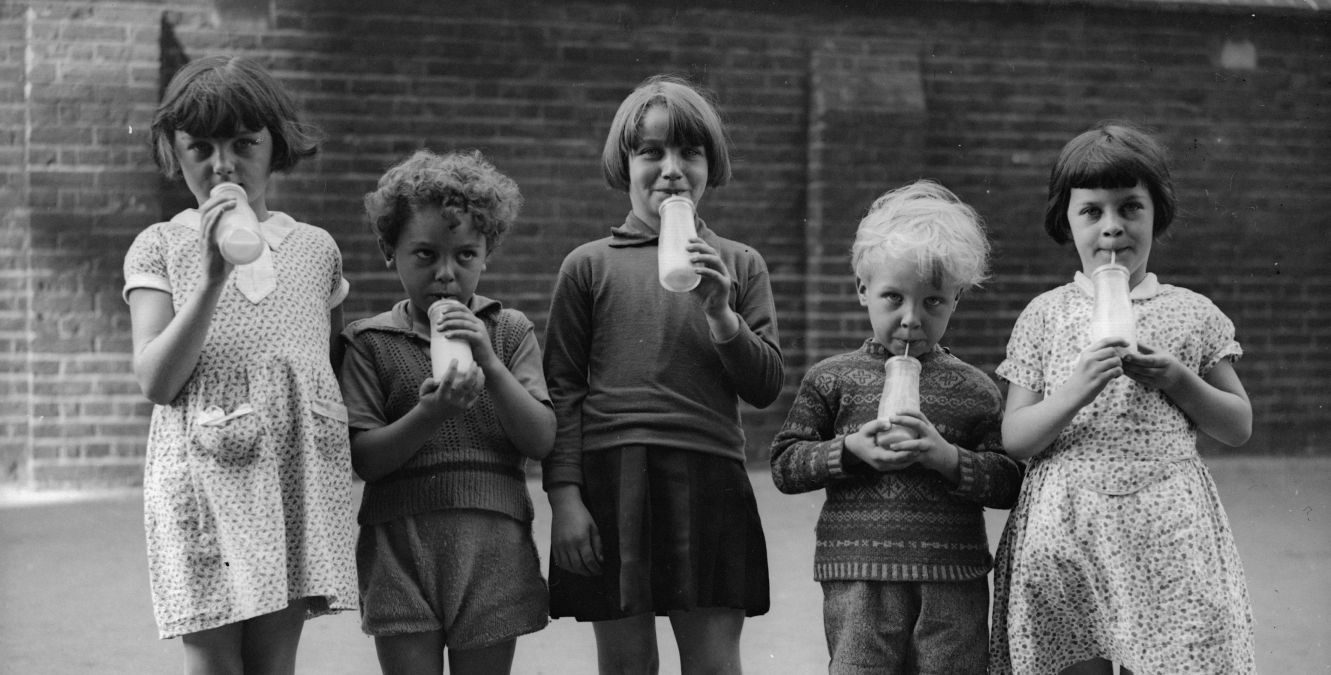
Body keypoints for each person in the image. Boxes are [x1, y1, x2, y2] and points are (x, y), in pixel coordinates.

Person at [988, 122, 1256, 675]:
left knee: (1177, 656)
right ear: (1066, 219)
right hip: (1068, 525)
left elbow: (1238, 425)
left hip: (1166, 530)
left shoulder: (1192, 312)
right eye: (1092, 212)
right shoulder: (1046, 314)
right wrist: (1075, 390)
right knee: (1073, 660)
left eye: (1130, 208)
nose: (1111, 228)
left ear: (1158, 213)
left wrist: (1178, 380)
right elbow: (1015, 439)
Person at [542, 74, 784, 674]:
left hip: (709, 472)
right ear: (625, 164)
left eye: (689, 152)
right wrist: (566, 499)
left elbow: (764, 386)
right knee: (625, 665)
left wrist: (721, 313)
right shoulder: (587, 266)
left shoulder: (739, 264)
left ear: (711, 165)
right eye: (651, 152)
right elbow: (563, 390)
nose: (671, 169)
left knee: (712, 663)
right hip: (612, 475)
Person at [124, 55, 357, 674]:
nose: (222, 165)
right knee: (217, 666)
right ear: (174, 153)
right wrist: (210, 279)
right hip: (202, 480)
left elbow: (323, 369)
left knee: (273, 665)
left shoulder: (315, 250)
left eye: (243, 143)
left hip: (289, 479)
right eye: (199, 146)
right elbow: (156, 378)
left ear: (276, 145)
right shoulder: (162, 244)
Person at [769, 180, 1023, 674]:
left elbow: (1009, 482)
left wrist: (947, 458)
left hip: (952, 577)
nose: (911, 319)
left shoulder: (975, 389)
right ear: (862, 289)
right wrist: (849, 450)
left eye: (933, 302)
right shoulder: (832, 378)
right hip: (858, 574)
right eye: (893, 297)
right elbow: (785, 463)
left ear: (957, 299)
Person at [339, 149, 554, 674]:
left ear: (487, 254)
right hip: (400, 550)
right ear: (390, 251)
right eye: (424, 254)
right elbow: (364, 457)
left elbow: (541, 438)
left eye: (464, 255)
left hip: (493, 548)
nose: (445, 274)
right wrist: (429, 416)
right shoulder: (370, 342)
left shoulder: (508, 331)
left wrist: (491, 365)